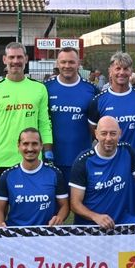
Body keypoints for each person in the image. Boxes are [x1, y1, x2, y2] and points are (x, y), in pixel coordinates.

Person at [0, 42, 53, 196]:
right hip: (1, 160)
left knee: (32, 207)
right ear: (5, 59)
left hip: (32, 158)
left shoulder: (39, 88)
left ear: (26, 59)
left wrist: (48, 153)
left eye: (19, 57)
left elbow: (45, 123)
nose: (16, 61)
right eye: (12, 57)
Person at [70, 116, 135, 228]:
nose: (108, 138)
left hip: (122, 220)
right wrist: (95, 217)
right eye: (104, 133)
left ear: (120, 133)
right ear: (96, 134)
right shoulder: (83, 161)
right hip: (92, 225)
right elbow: (75, 204)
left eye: (113, 133)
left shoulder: (127, 151)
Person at [0, 128, 69, 227]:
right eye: (25, 143)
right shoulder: (7, 176)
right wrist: (0, 225)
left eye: (34, 144)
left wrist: (59, 218)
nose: (30, 149)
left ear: (41, 146)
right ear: (19, 146)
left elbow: (65, 205)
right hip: (16, 234)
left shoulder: (54, 173)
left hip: (46, 234)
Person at [46, 46, 98, 174]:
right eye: (63, 62)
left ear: (78, 63)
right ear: (57, 63)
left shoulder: (91, 90)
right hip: (51, 160)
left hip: (82, 160)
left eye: (71, 62)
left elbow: (97, 126)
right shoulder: (46, 88)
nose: (67, 65)